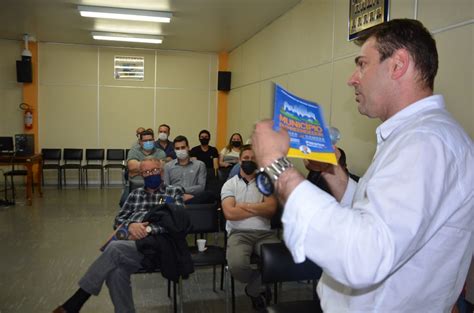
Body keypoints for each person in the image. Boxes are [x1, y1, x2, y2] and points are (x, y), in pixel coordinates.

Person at [252, 19, 473, 312]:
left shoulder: (425, 142)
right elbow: (381, 219)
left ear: (397, 65)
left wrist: (276, 166)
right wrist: (333, 172)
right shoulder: (418, 137)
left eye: (362, 64)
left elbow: (365, 255)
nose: (352, 78)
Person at [53, 157, 185, 313]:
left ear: (161, 172)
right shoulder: (135, 195)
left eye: (154, 170)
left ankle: (77, 301)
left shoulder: (174, 191)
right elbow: (119, 220)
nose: (151, 174)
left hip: (161, 248)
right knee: (116, 273)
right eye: (146, 172)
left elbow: (178, 221)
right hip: (135, 248)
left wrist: (147, 230)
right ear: (141, 175)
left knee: (115, 248)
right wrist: (131, 226)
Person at [221, 144, 280, 311]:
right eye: (246, 158)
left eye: (253, 159)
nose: (249, 161)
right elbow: (230, 213)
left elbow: (270, 210)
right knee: (237, 266)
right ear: (239, 160)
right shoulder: (229, 184)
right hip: (238, 233)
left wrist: (243, 205)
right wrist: (258, 207)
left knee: (278, 261)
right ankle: (258, 285)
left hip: (264, 233)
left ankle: (253, 290)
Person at [119, 130, 166, 206]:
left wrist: (137, 171)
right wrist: (153, 168)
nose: (148, 142)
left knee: (161, 202)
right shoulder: (133, 151)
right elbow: (131, 166)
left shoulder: (160, 152)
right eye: (145, 140)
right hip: (135, 185)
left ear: (154, 140)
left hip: (156, 186)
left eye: (150, 140)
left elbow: (161, 168)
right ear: (140, 142)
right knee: (124, 202)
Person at [163, 135, 214, 204]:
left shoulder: (200, 165)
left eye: (183, 147)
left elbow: (201, 187)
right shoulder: (168, 166)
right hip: (175, 199)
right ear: (174, 150)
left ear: (188, 147)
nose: (180, 150)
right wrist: (180, 194)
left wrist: (182, 191)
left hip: (194, 198)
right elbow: (166, 188)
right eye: (177, 148)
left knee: (208, 194)